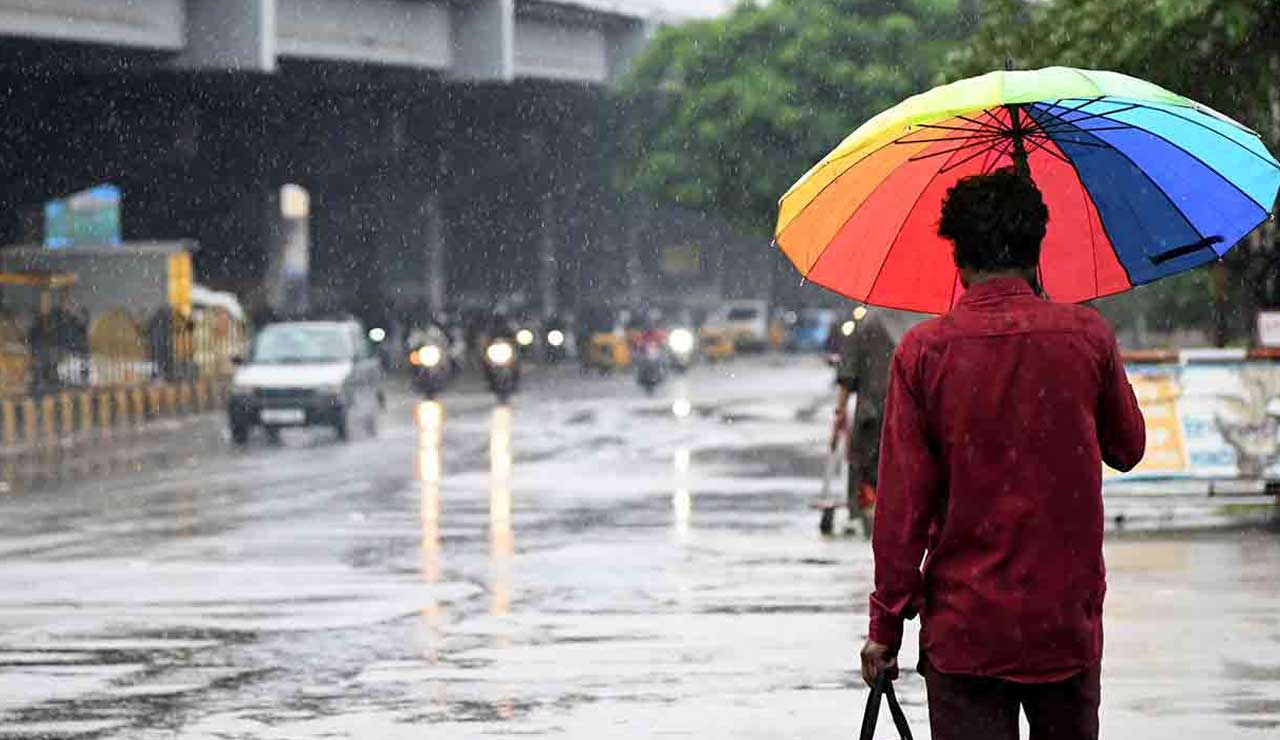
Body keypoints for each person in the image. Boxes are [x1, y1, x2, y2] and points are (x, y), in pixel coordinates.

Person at [859, 168, 1146, 740]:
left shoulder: (923, 353)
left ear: (958, 258)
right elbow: (1128, 448)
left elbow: (902, 511)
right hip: (1063, 626)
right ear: (1037, 248)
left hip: (965, 631)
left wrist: (885, 626)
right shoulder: (1087, 337)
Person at [833, 307, 926, 537]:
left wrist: (840, 411)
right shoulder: (924, 320)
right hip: (911, 414)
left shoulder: (867, 321)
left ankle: (866, 511)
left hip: (871, 411)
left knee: (865, 466)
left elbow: (848, 371)